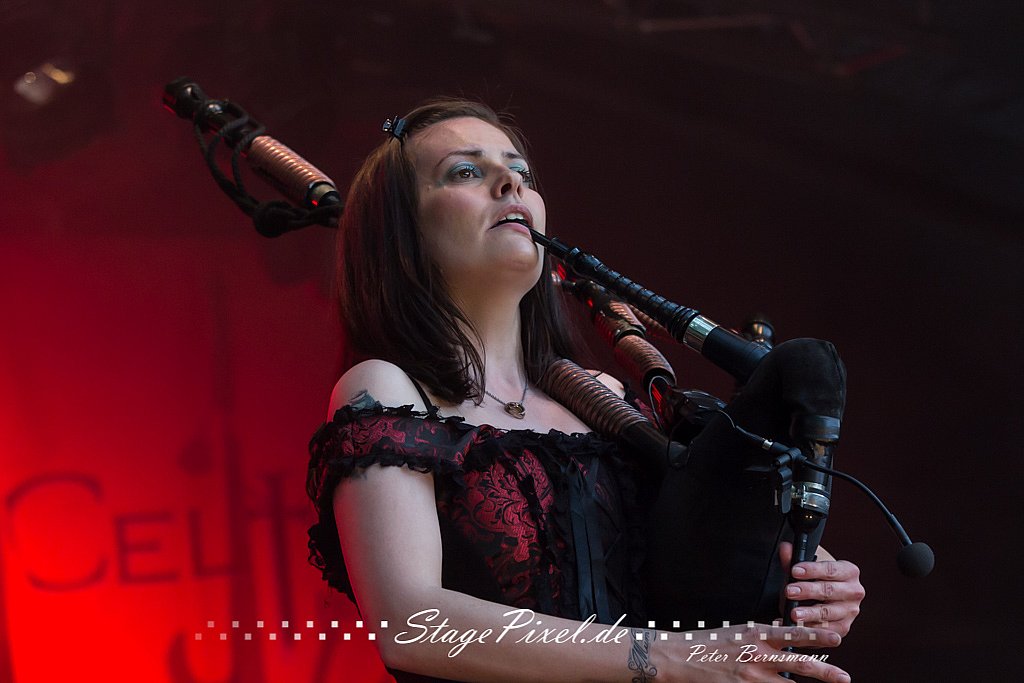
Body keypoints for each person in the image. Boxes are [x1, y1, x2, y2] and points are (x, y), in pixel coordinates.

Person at [306, 98, 865, 682]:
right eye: (465, 171)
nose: (510, 185)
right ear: (400, 234)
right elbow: (411, 624)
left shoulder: (603, 400)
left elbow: (692, 563)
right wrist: (664, 658)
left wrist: (806, 581)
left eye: (520, 172)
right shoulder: (388, 390)